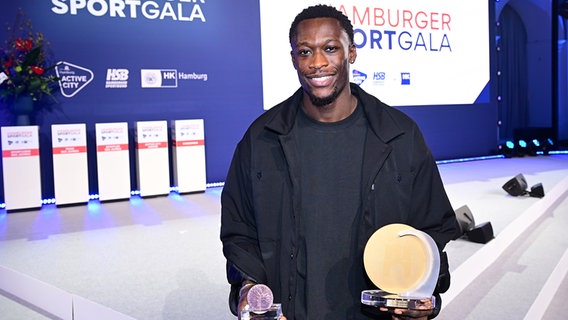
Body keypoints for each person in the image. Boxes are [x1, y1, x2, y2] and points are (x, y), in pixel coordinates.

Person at [220, 4, 458, 320]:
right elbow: (239, 231)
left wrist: (426, 297)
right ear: (293, 59)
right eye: (305, 52)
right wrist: (250, 290)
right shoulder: (260, 138)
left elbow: (431, 230)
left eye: (330, 48)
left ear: (352, 52)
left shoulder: (400, 135)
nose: (318, 63)